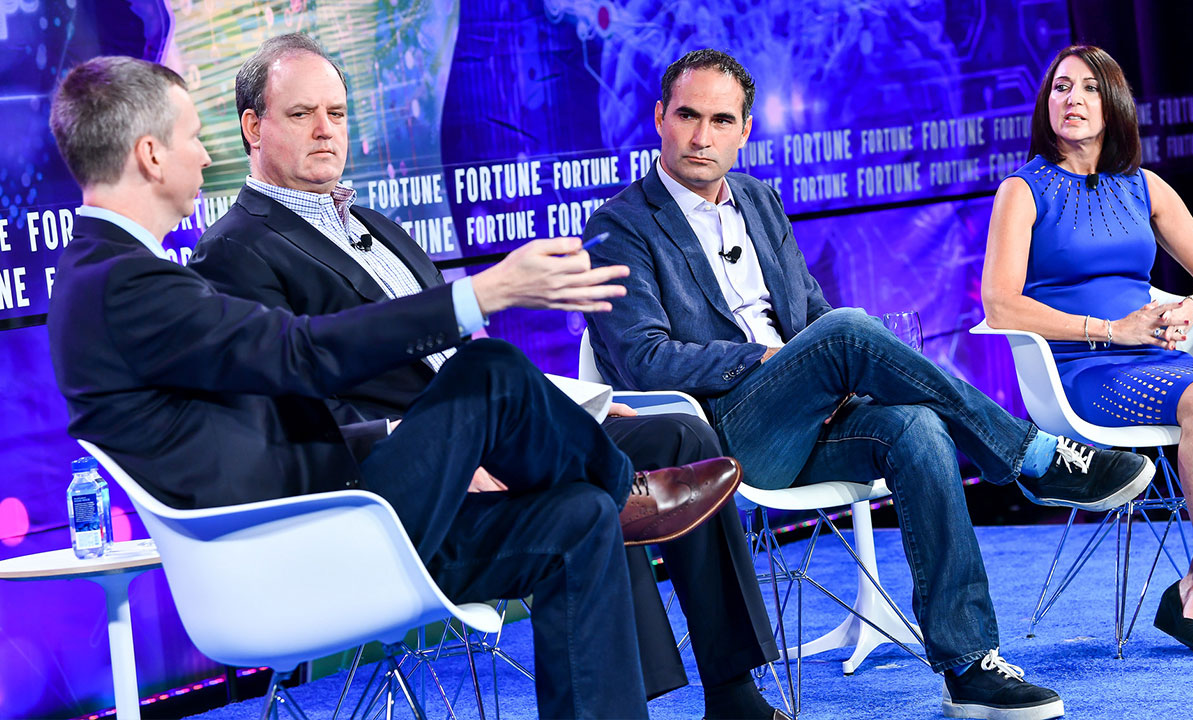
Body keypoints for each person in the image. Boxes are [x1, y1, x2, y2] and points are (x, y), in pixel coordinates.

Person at [45, 55, 745, 719]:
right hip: (299, 546)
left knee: (578, 519)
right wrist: (482, 294)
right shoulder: (123, 283)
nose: (206, 154)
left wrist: (406, 435)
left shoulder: (106, 276)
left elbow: (266, 419)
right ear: (149, 154)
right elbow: (301, 355)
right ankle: (626, 488)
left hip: (330, 515)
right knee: (488, 373)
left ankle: (614, 499)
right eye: (194, 137)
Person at [583, 48, 1161, 720]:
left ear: (745, 131)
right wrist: (769, 361)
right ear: (659, 117)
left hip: (813, 417)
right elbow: (643, 361)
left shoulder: (760, 202)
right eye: (686, 116)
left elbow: (811, 315)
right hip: (725, 436)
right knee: (850, 331)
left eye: (720, 120)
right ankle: (1032, 456)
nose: (701, 137)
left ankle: (968, 664)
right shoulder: (620, 227)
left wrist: (830, 367)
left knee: (914, 426)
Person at [981, 44, 1193, 656]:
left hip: (1153, 356)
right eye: (1061, 87)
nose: (1073, 100)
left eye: (1089, 88)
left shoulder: (1143, 187)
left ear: (1113, 103)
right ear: (1046, 103)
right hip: (1080, 366)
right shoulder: (1023, 189)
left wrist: (1187, 309)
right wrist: (1113, 330)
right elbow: (1000, 305)